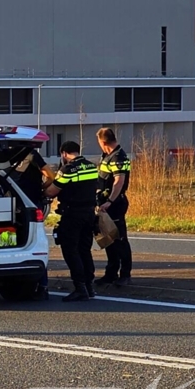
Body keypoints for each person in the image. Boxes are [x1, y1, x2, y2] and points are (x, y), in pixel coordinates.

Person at [45, 140, 98, 302]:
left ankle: (80, 288)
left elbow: (51, 192)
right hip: (89, 214)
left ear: (64, 153)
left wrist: (43, 188)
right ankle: (89, 286)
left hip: (72, 215)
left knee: (70, 250)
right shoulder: (91, 166)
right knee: (84, 250)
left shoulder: (67, 169)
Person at [13, 149, 54, 301]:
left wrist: (41, 189)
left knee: (27, 243)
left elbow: (51, 176)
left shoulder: (14, 157)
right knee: (33, 244)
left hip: (20, 205)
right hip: (29, 204)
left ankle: (41, 285)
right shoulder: (29, 156)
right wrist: (40, 189)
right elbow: (50, 176)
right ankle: (40, 285)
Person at [95, 127, 133, 287]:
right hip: (105, 204)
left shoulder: (118, 157)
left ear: (103, 142)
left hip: (115, 204)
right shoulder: (107, 155)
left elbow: (119, 182)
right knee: (109, 240)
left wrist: (110, 201)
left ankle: (125, 274)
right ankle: (110, 273)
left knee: (120, 239)